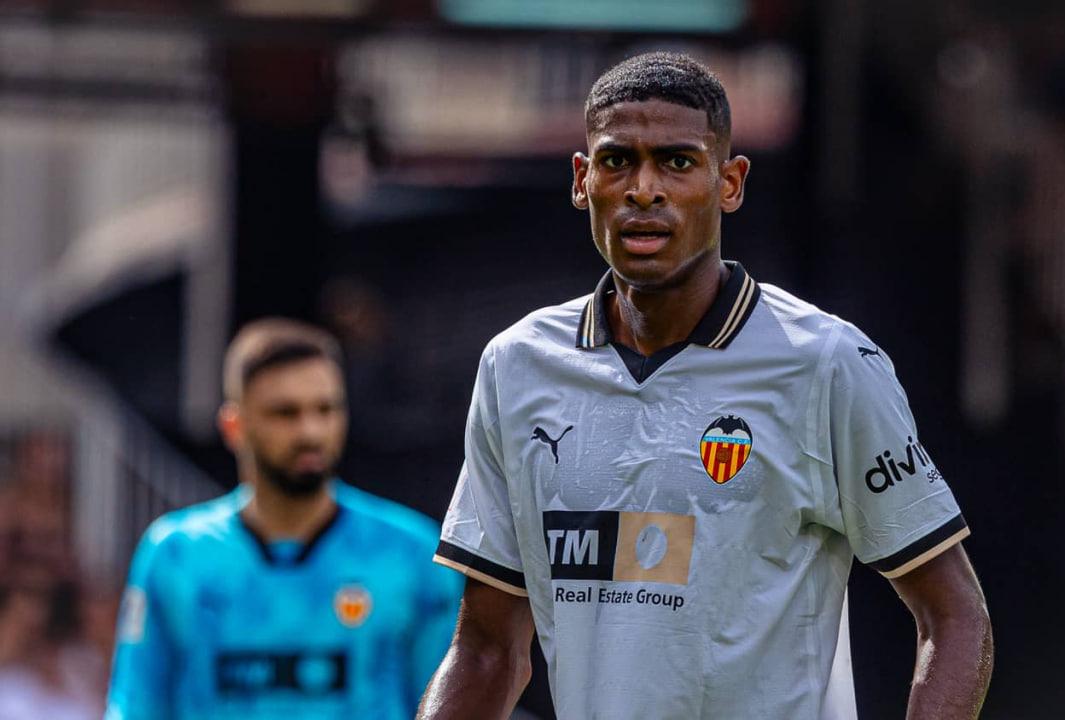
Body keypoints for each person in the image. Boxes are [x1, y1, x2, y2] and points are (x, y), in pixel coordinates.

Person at [419, 52, 992, 719]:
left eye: (678, 162)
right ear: (582, 180)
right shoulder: (517, 365)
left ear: (730, 182)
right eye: (617, 161)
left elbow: (955, 618)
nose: (644, 190)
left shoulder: (827, 364)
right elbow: (487, 649)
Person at [106, 318, 462, 719]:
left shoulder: (411, 554)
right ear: (234, 426)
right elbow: (135, 708)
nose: (311, 431)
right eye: (285, 413)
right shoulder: (176, 555)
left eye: (326, 409)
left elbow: (452, 711)